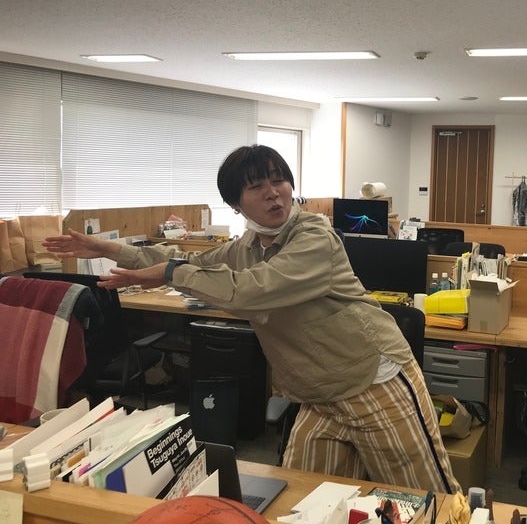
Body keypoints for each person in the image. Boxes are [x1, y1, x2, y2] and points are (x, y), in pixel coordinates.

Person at [43, 144, 461, 494]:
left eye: (279, 181)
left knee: (428, 498)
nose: (273, 193)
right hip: (317, 395)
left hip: (374, 380)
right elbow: (187, 259)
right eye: (256, 186)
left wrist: (170, 274)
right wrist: (110, 249)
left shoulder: (314, 237)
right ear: (235, 203)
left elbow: (252, 290)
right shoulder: (247, 247)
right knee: (305, 499)